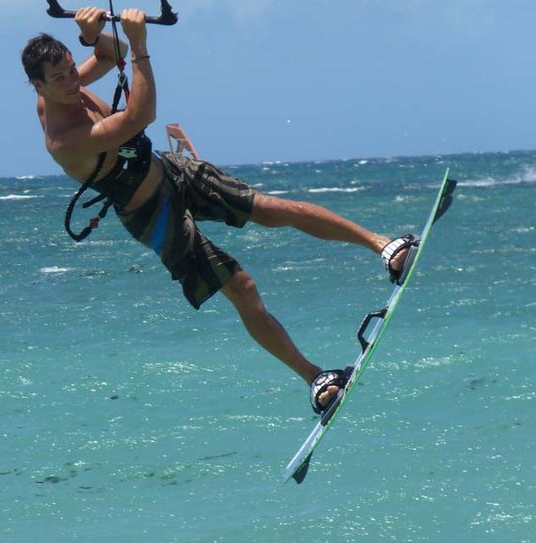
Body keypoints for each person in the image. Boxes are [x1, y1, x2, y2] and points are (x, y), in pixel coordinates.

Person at [21, 8, 416, 414]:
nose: (71, 81)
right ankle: (314, 377)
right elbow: (141, 115)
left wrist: (91, 37)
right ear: (37, 86)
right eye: (59, 79)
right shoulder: (64, 139)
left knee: (270, 208)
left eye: (71, 70)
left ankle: (383, 246)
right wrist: (140, 46)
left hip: (171, 170)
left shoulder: (62, 85)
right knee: (241, 288)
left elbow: (110, 53)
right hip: (152, 216)